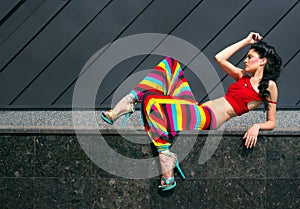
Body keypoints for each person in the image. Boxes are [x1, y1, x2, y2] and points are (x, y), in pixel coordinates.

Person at [101, 32, 282, 191]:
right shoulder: (242, 76)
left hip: (209, 119)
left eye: (250, 56)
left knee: (152, 101)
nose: (245, 60)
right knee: (170, 64)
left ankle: (165, 158)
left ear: (263, 61)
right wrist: (245, 41)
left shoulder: (269, 86)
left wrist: (256, 126)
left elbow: (272, 121)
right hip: (197, 110)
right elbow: (219, 58)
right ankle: (130, 100)